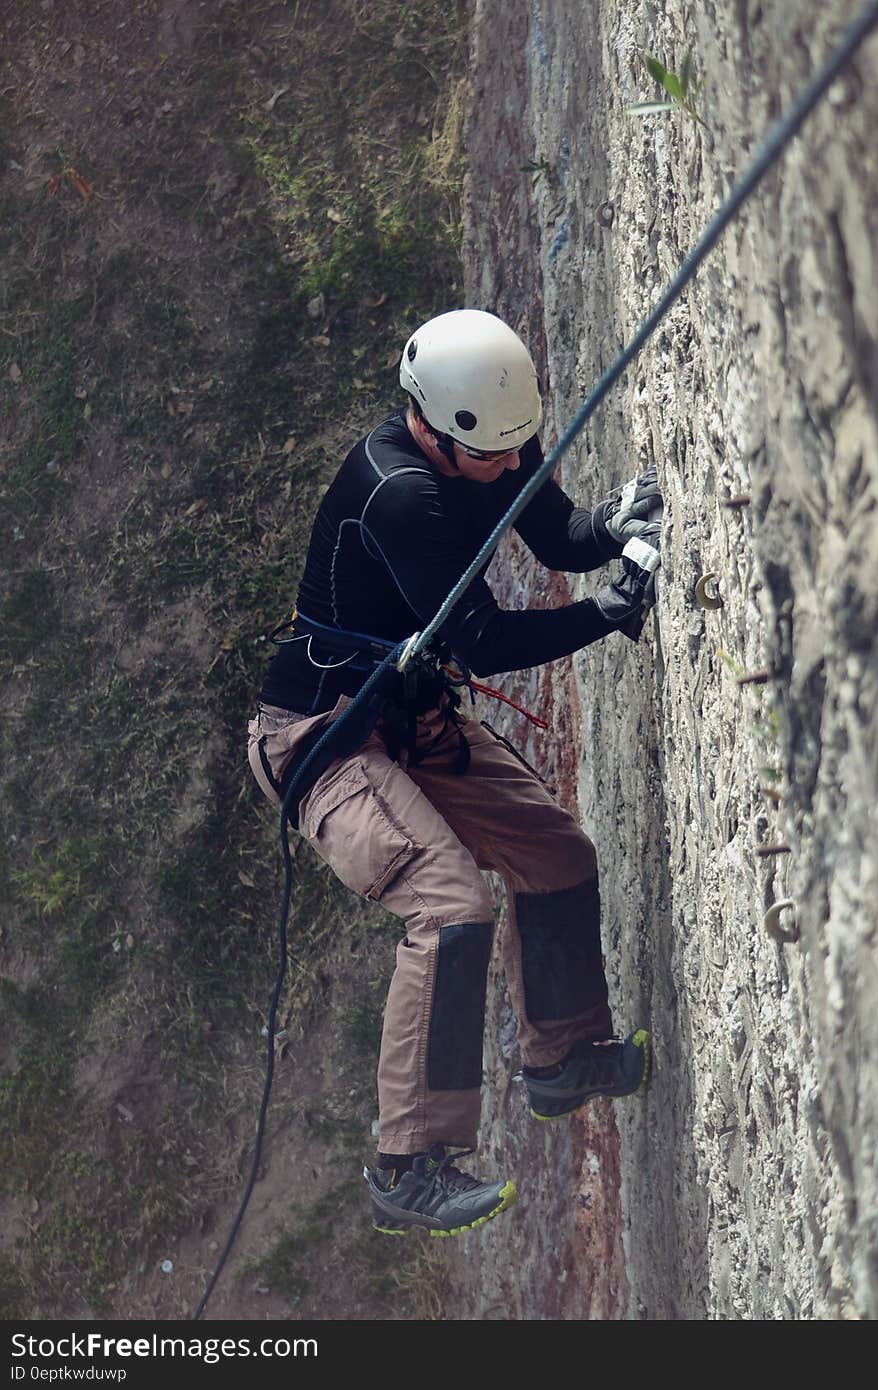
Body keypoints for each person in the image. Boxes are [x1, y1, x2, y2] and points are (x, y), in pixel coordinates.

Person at [247, 309, 661, 1237]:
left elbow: (554, 533)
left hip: (405, 715)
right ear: (434, 427)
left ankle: (559, 1058)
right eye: (498, 458)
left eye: (521, 449)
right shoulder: (399, 493)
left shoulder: (489, 430)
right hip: (322, 736)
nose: (514, 468)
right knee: (448, 903)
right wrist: (607, 612)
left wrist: (612, 527)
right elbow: (481, 639)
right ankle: (408, 1163)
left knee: (554, 852)